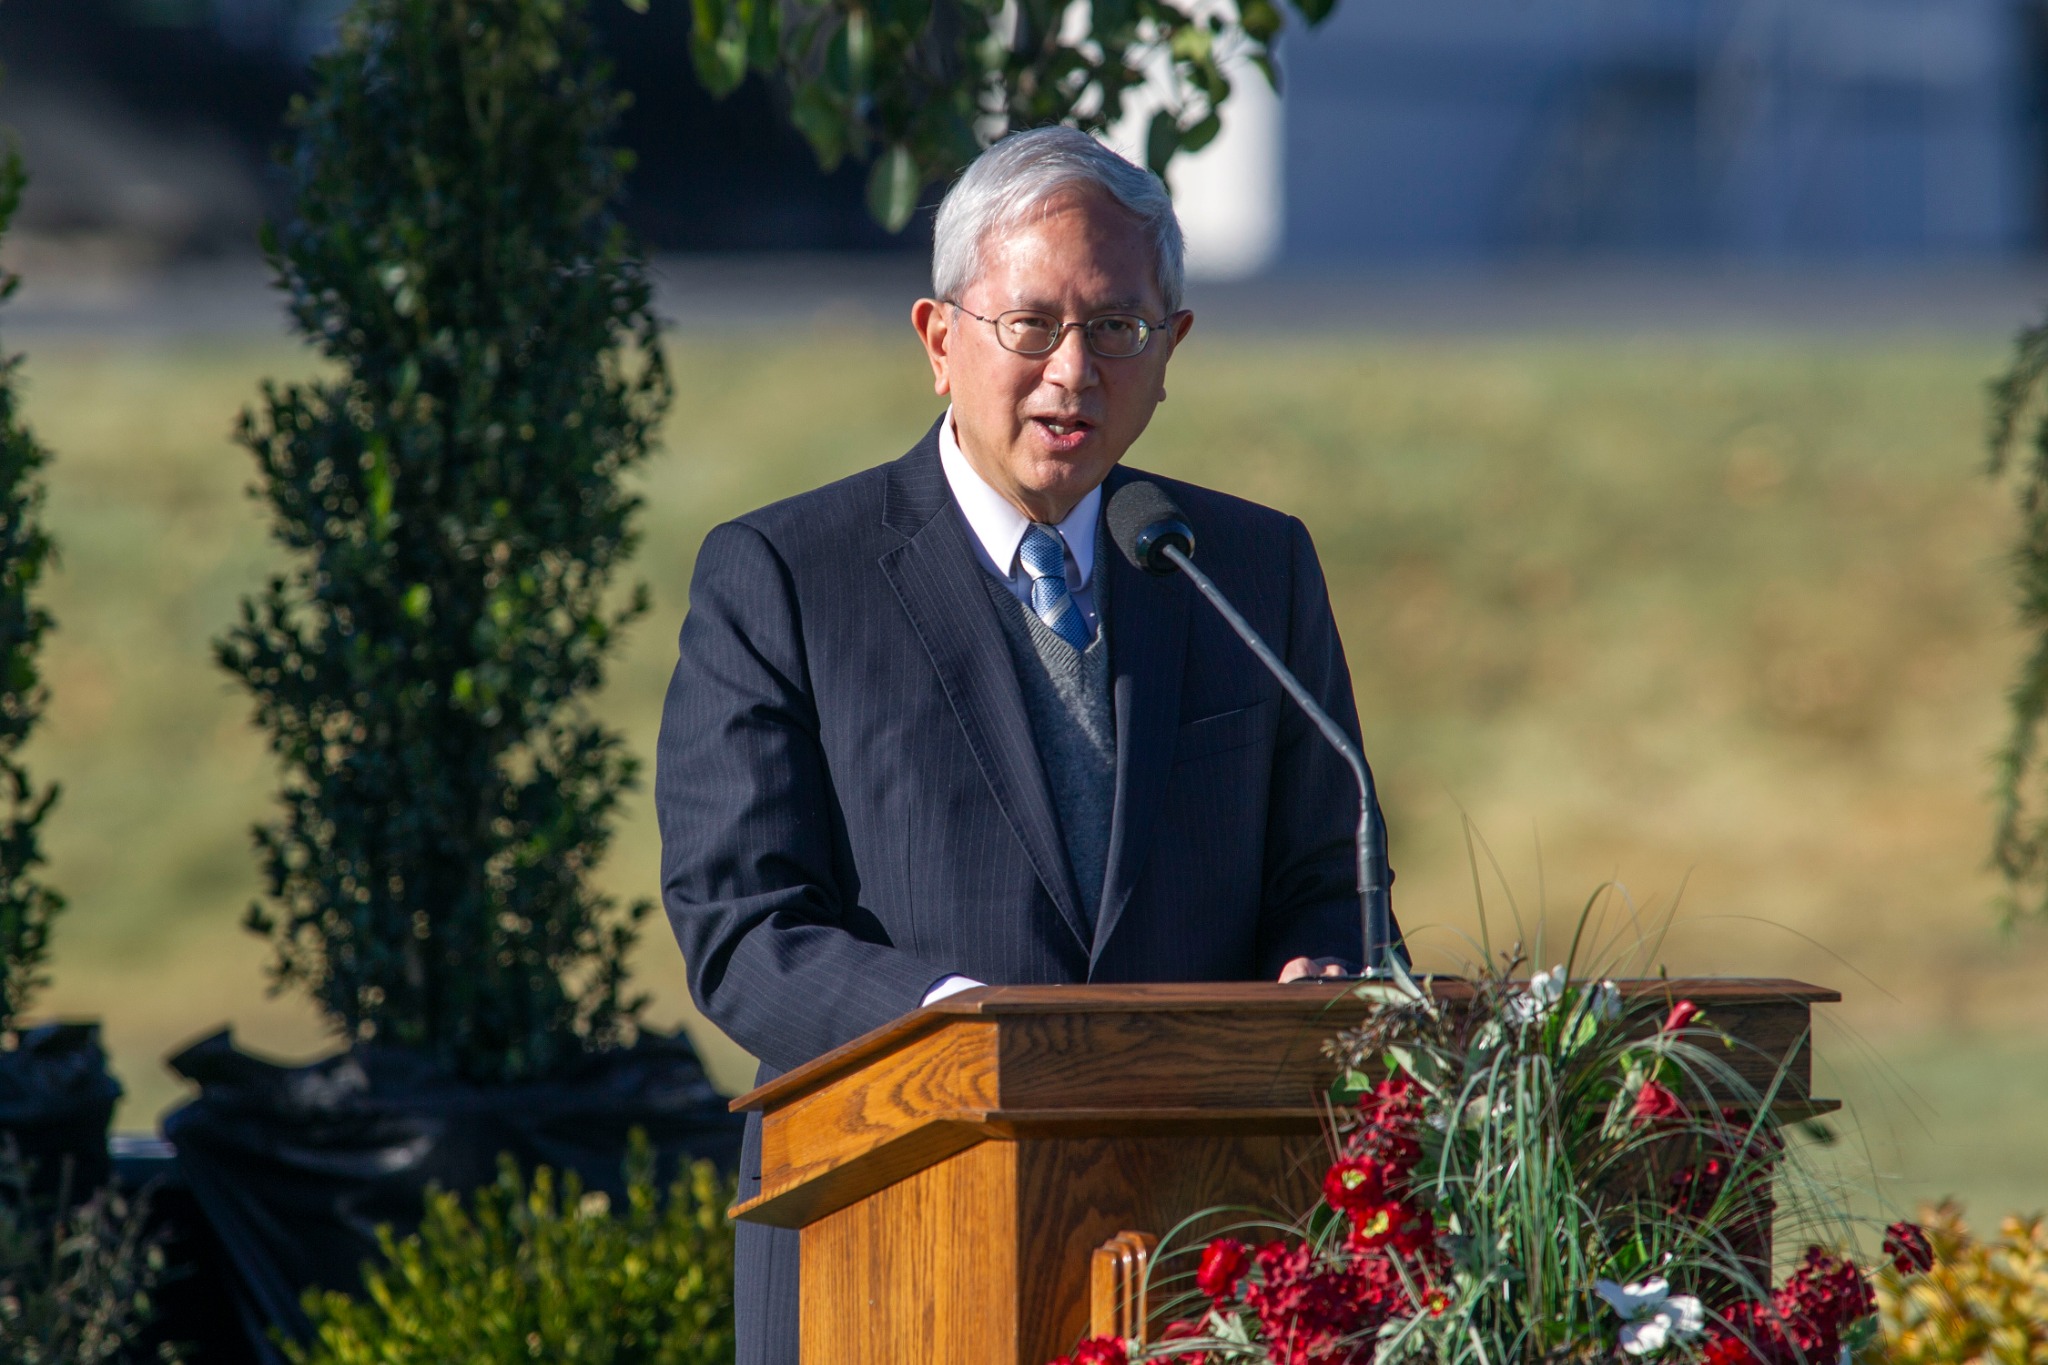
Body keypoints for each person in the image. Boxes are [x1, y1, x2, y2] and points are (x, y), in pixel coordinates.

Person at [655, 125, 1395, 1363]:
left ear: (1172, 350)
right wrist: (963, 1034)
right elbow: (742, 930)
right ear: (938, 340)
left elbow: (1333, 879)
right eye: (1030, 325)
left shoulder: (1246, 571)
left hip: (1206, 1249)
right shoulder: (786, 575)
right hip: (885, 1242)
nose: (1072, 372)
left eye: (1117, 329)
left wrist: (1320, 975)